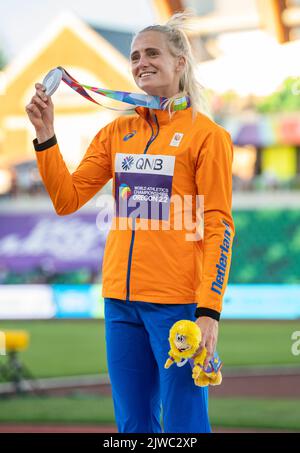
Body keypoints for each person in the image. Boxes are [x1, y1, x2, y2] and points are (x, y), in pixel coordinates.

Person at [26, 12, 235, 433]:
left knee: (184, 425)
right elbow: (67, 199)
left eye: (152, 53)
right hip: (119, 303)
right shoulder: (114, 133)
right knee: (133, 426)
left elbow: (219, 225)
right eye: (135, 55)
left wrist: (208, 310)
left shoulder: (207, 137)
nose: (141, 61)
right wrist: (46, 134)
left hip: (176, 305)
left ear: (180, 62)